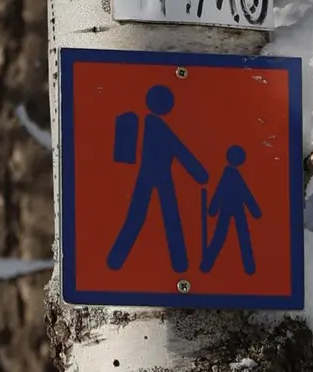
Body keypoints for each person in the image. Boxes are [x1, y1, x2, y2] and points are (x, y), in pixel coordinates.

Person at [106, 85, 205, 273]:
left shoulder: (148, 123)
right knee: (169, 218)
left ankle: (115, 260)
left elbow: (179, 150)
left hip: (146, 176)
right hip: (160, 177)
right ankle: (179, 263)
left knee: (139, 216)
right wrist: (200, 175)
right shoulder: (159, 127)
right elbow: (180, 152)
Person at [200, 144, 261, 275]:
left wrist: (213, 209)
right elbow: (245, 194)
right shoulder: (231, 175)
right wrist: (254, 210)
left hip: (231, 210)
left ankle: (207, 264)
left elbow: (222, 192)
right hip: (233, 210)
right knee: (237, 236)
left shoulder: (230, 174)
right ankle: (248, 267)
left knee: (227, 236)